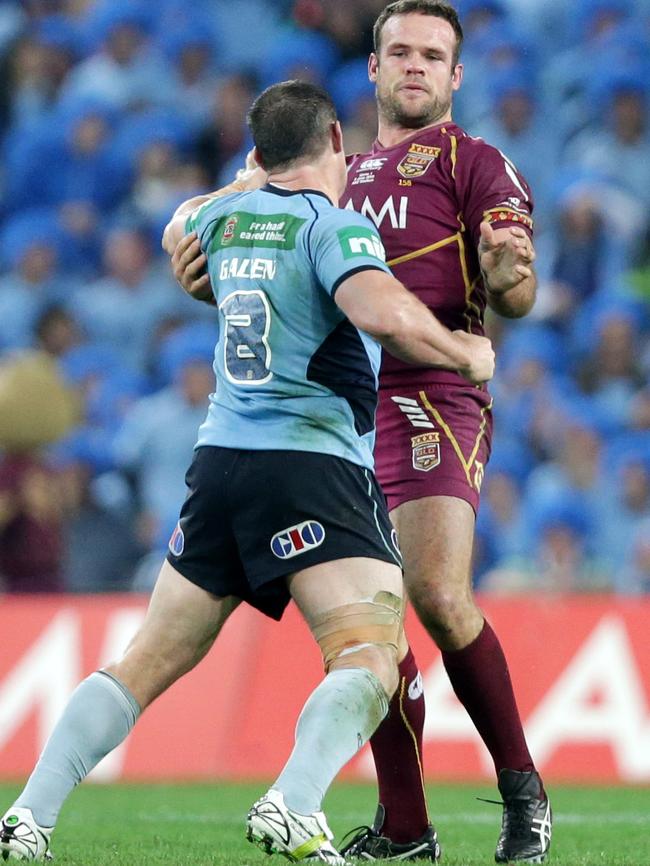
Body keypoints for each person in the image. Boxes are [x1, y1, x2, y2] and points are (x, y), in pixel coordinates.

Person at [0, 80, 495, 864]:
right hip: (311, 464)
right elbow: (376, 308)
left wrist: (239, 184)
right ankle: (295, 803)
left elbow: (178, 223)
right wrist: (463, 348)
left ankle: (29, 814)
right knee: (369, 653)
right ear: (337, 140)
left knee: (145, 660)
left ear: (256, 155)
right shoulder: (332, 227)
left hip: (221, 464)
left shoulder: (218, 217)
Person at [171, 3, 551, 863]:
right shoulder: (330, 173)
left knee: (439, 598)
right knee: (370, 624)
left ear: (456, 77)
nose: (416, 66)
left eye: (435, 55)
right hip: (331, 413)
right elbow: (240, 249)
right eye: (401, 51)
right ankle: (407, 825)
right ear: (373, 69)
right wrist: (203, 263)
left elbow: (516, 288)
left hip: (429, 393)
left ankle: (525, 792)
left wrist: (506, 275)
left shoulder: (477, 164)